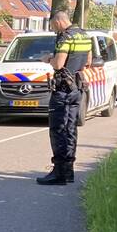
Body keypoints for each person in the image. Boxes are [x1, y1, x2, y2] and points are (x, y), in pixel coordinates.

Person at [37, 10, 91, 185]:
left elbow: (59, 63)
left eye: (53, 25)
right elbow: (88, 61)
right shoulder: (84, 36)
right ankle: (69, 172)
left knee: (58, 130)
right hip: (76, 89)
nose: (54, 29)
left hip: (62, 89)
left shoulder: (65, 37)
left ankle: (58, 173)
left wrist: (48, 59)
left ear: (58, 21)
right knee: (70, 129)